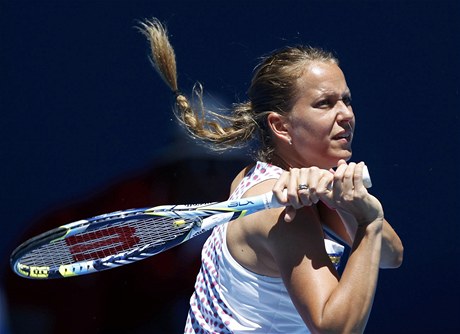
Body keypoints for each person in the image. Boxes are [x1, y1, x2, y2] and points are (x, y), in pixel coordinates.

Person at [139, 18, 404, 334]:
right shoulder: (284, 212)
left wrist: (351, 207)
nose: (346, 114)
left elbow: (390, 257)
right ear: (281, 126)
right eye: (325, 103)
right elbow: (336, 328)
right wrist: (369, 224)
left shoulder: (261, 178)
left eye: (346, 99)